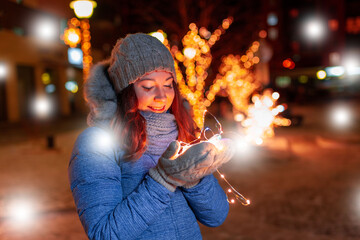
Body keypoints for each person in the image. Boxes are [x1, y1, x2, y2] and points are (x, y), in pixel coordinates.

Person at [68, 33, 234, 240]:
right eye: (148, 86)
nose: (162, 96)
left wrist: (195, 179)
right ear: (125, 90)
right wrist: (162, 180)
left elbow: (216, 216)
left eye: (168, 84)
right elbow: (104, 234)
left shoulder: (183, 132)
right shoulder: (97, 143)